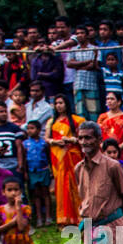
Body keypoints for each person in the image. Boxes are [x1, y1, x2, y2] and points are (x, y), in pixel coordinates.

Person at [46, 94, 83, 225]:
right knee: (62, 186)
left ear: (67, 104)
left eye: (61, 103)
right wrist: (55, 142)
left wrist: (72, 140)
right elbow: (47, 139)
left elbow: (83, 139)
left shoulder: (77, 120)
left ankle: (80, 215)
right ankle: (65, 218)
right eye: (56, 103)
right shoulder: (52, 122)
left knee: (76, 184)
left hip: (73, 156)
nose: (59, 106)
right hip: (58, 157)